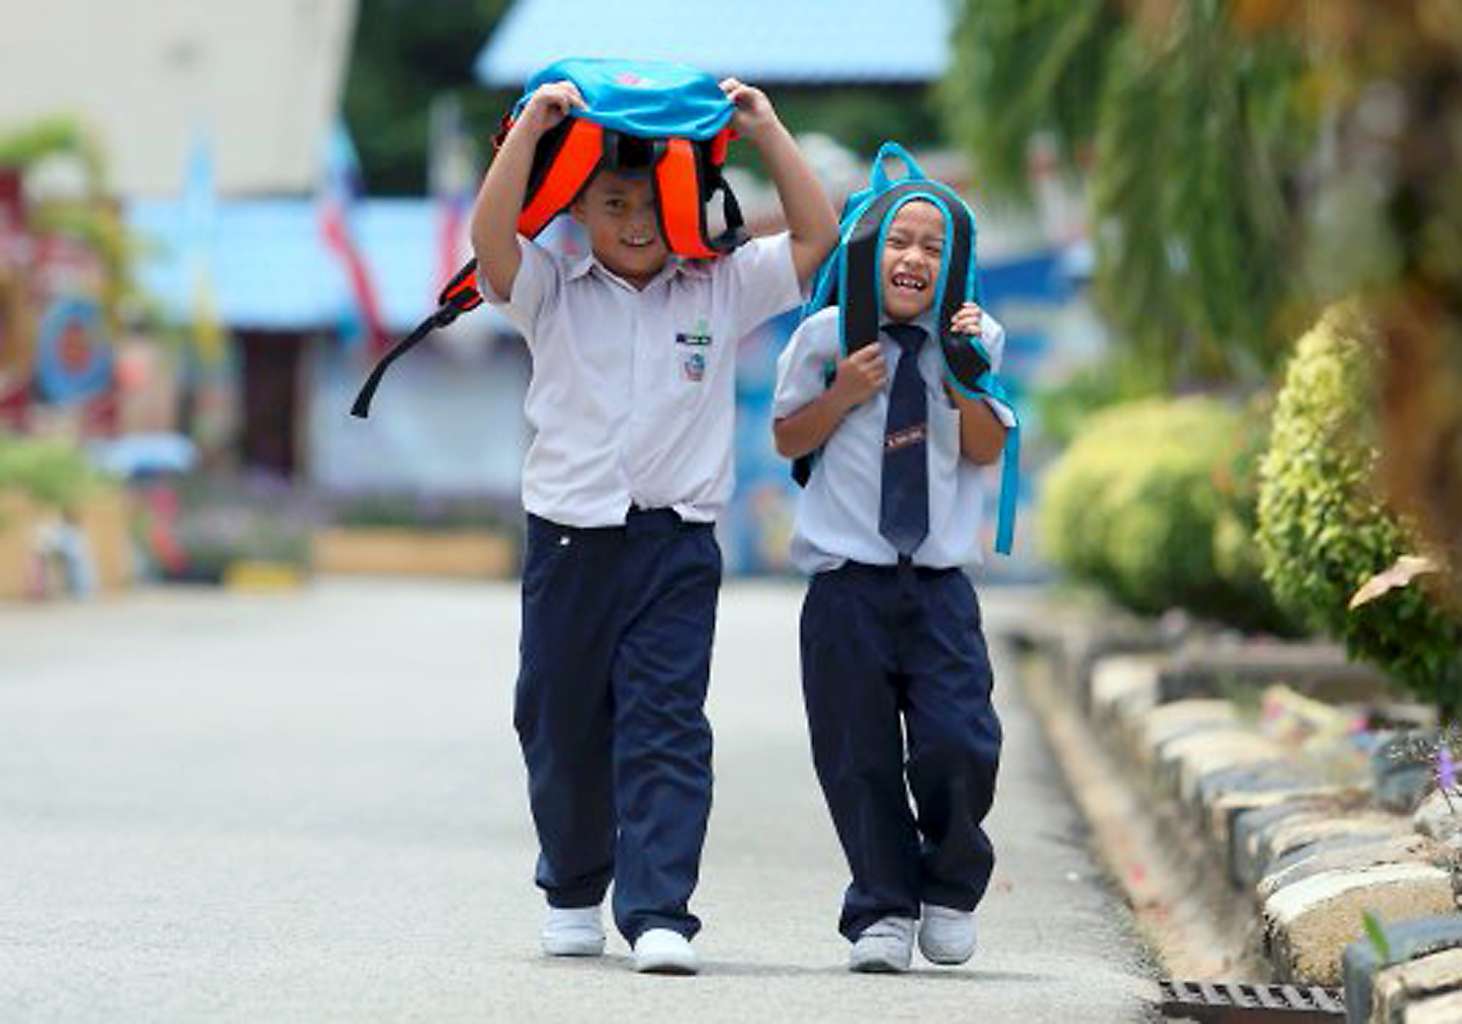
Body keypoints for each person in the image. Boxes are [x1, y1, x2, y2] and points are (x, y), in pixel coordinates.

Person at [470, 72, 838, 975]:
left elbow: (816, 237)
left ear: (681, 202)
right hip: (568, 542)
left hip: (674, 546)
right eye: (612, 200)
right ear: (582, 211)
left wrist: (765, 127)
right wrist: (534, 130)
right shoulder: (551, 284)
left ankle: (659, 907)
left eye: (647, 200)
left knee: (666, 723)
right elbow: (489, 242)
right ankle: (572, 886)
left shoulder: (718, 287)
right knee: (558, 721)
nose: (634, 218)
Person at [771, 196, 1011, 973]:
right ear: (867, 255)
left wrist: (968, 381)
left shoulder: (974, 340)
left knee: (960, 742)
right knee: (856, 754)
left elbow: (982, 452)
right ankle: (880, 907)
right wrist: (840, 393)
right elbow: (787, 437)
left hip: (939, 586)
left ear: (956, 264)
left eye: (934, 247)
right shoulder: (823, 336)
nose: (914, 259)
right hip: (846, 587)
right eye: (898, 242)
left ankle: (947, 886)